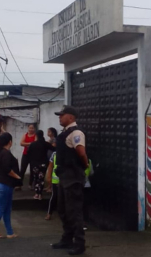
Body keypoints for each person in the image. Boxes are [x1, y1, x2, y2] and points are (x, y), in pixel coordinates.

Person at [51, 106, 89, 256]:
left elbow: (81, 152)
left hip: (73, 177)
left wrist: (84, 165)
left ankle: (79, 244)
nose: (59, 117)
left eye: (62, 115)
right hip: (64, 176)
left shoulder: (76, 133)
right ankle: (67, 239)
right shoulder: (65, 133)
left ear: (71, 117)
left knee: (75, 212)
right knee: (63, 210)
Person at [0, 133, 21, 239]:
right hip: (5, 184)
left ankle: (10, 232)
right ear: (10, 142)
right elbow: (7, 169)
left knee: (6, 209)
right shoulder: (5, 153)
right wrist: (17, 176)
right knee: (1, 209)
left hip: (0, 183)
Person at [28, 130, 54, 200]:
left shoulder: (32, 144)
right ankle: (40, 194)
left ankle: (37, 193)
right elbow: (54, 149)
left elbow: (28, 153)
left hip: (35, 164)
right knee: (41, 179)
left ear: (36, 135)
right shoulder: (45, 144)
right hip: (43, 163)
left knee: (36, 178)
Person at [18, 124, 36, 190]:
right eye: (30, 128)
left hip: (33, 155)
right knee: (22, 170)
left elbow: (35, 143)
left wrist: (26, 144)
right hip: (25, 154)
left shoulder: (35, 136)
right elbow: (21, 143)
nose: (31, 129)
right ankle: (19, 184)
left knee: (32, 170)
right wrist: (31, 143)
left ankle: (30, 185)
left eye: (32, 128)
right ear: (28, 128)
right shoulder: (25, 135)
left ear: (34, 129)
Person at [45, 152, 58, 220]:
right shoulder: (54, 154)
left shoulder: (68, 152)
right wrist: (49, 176)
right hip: (56, 179)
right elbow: (50, 165)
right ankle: (49, 213)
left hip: (64, 180)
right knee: (54, 196)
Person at [45, 127, 58, 193]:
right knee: (49, 173)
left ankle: (51, 187)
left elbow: (53, 146)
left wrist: (47, 144)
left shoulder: (54, 140)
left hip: (52, 158)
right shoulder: (50, 140)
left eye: (49, 132)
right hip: (49, 158)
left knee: (51, 173)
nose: (48, 133)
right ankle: (49, 186)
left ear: (52, 133)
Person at [83, 160, 94, 231]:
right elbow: (91, 173)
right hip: (86, 185)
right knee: (84, 206)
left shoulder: (73, 159)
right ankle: (84, 223)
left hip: (76, 186)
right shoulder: (89, 161)